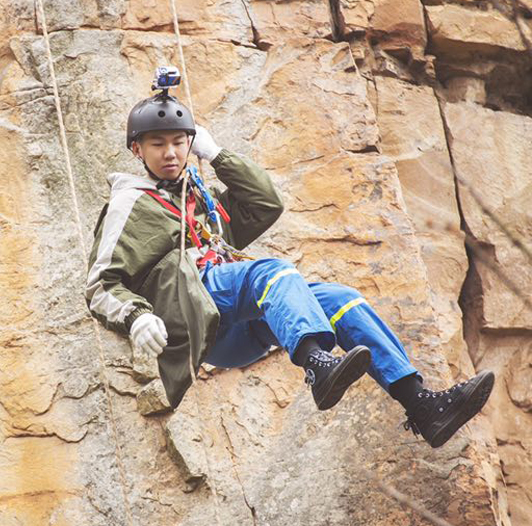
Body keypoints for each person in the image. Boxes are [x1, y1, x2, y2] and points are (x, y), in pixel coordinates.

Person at [85, 90, 494, 448]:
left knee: (342, 301)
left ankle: (421, 404)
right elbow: (101, 284)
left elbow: (264, 205)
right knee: (271, 273)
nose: (171, 153)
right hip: (190, 314)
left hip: (234, 325)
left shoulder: (197, 196)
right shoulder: (131, 203)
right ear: (137, 150)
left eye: (179, 141)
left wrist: (217, 155)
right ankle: (316, 363)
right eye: (158, 144)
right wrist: (137, 316)